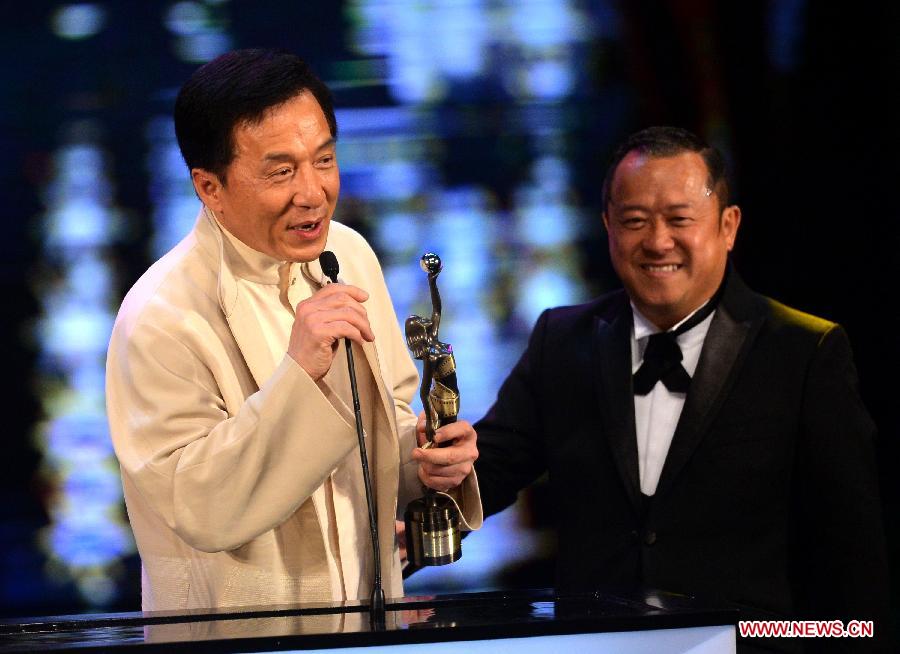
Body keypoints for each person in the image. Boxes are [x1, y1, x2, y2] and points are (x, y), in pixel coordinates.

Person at [473, 126, 890, 651]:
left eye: (679, 219)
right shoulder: (562, 341)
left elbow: (855, 567)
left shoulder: (804, 352)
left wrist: (756, 638)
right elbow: (484, 472)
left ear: (728, 225)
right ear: (607, 226)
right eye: (635, 221)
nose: (657, 241)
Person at [105, 48, 481, 612]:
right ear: (209, 187)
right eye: (281, 171)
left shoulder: (349, 254)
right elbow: (199, 507)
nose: (313, 192)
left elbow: (389, 421)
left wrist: (425, 458)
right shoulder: (160, 315)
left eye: (324, 160)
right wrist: (298, 374)